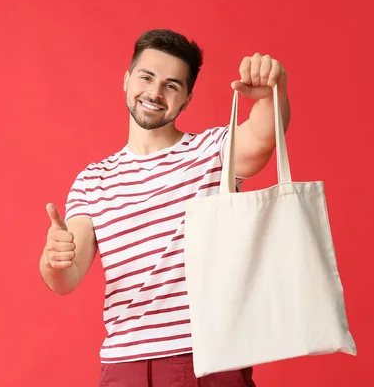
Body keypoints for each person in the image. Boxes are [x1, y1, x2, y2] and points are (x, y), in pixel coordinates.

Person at [39, 29, 291, 387]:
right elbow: (66, 278)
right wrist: (54, 259)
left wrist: (271, 89)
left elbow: (264, 137)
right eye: (146, 77)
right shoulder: (92, 180)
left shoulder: (212, 150)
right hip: (125, 366)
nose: (155, 93)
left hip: (208, 361)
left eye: (172, 85)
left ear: (187, 98)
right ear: (127, 80)